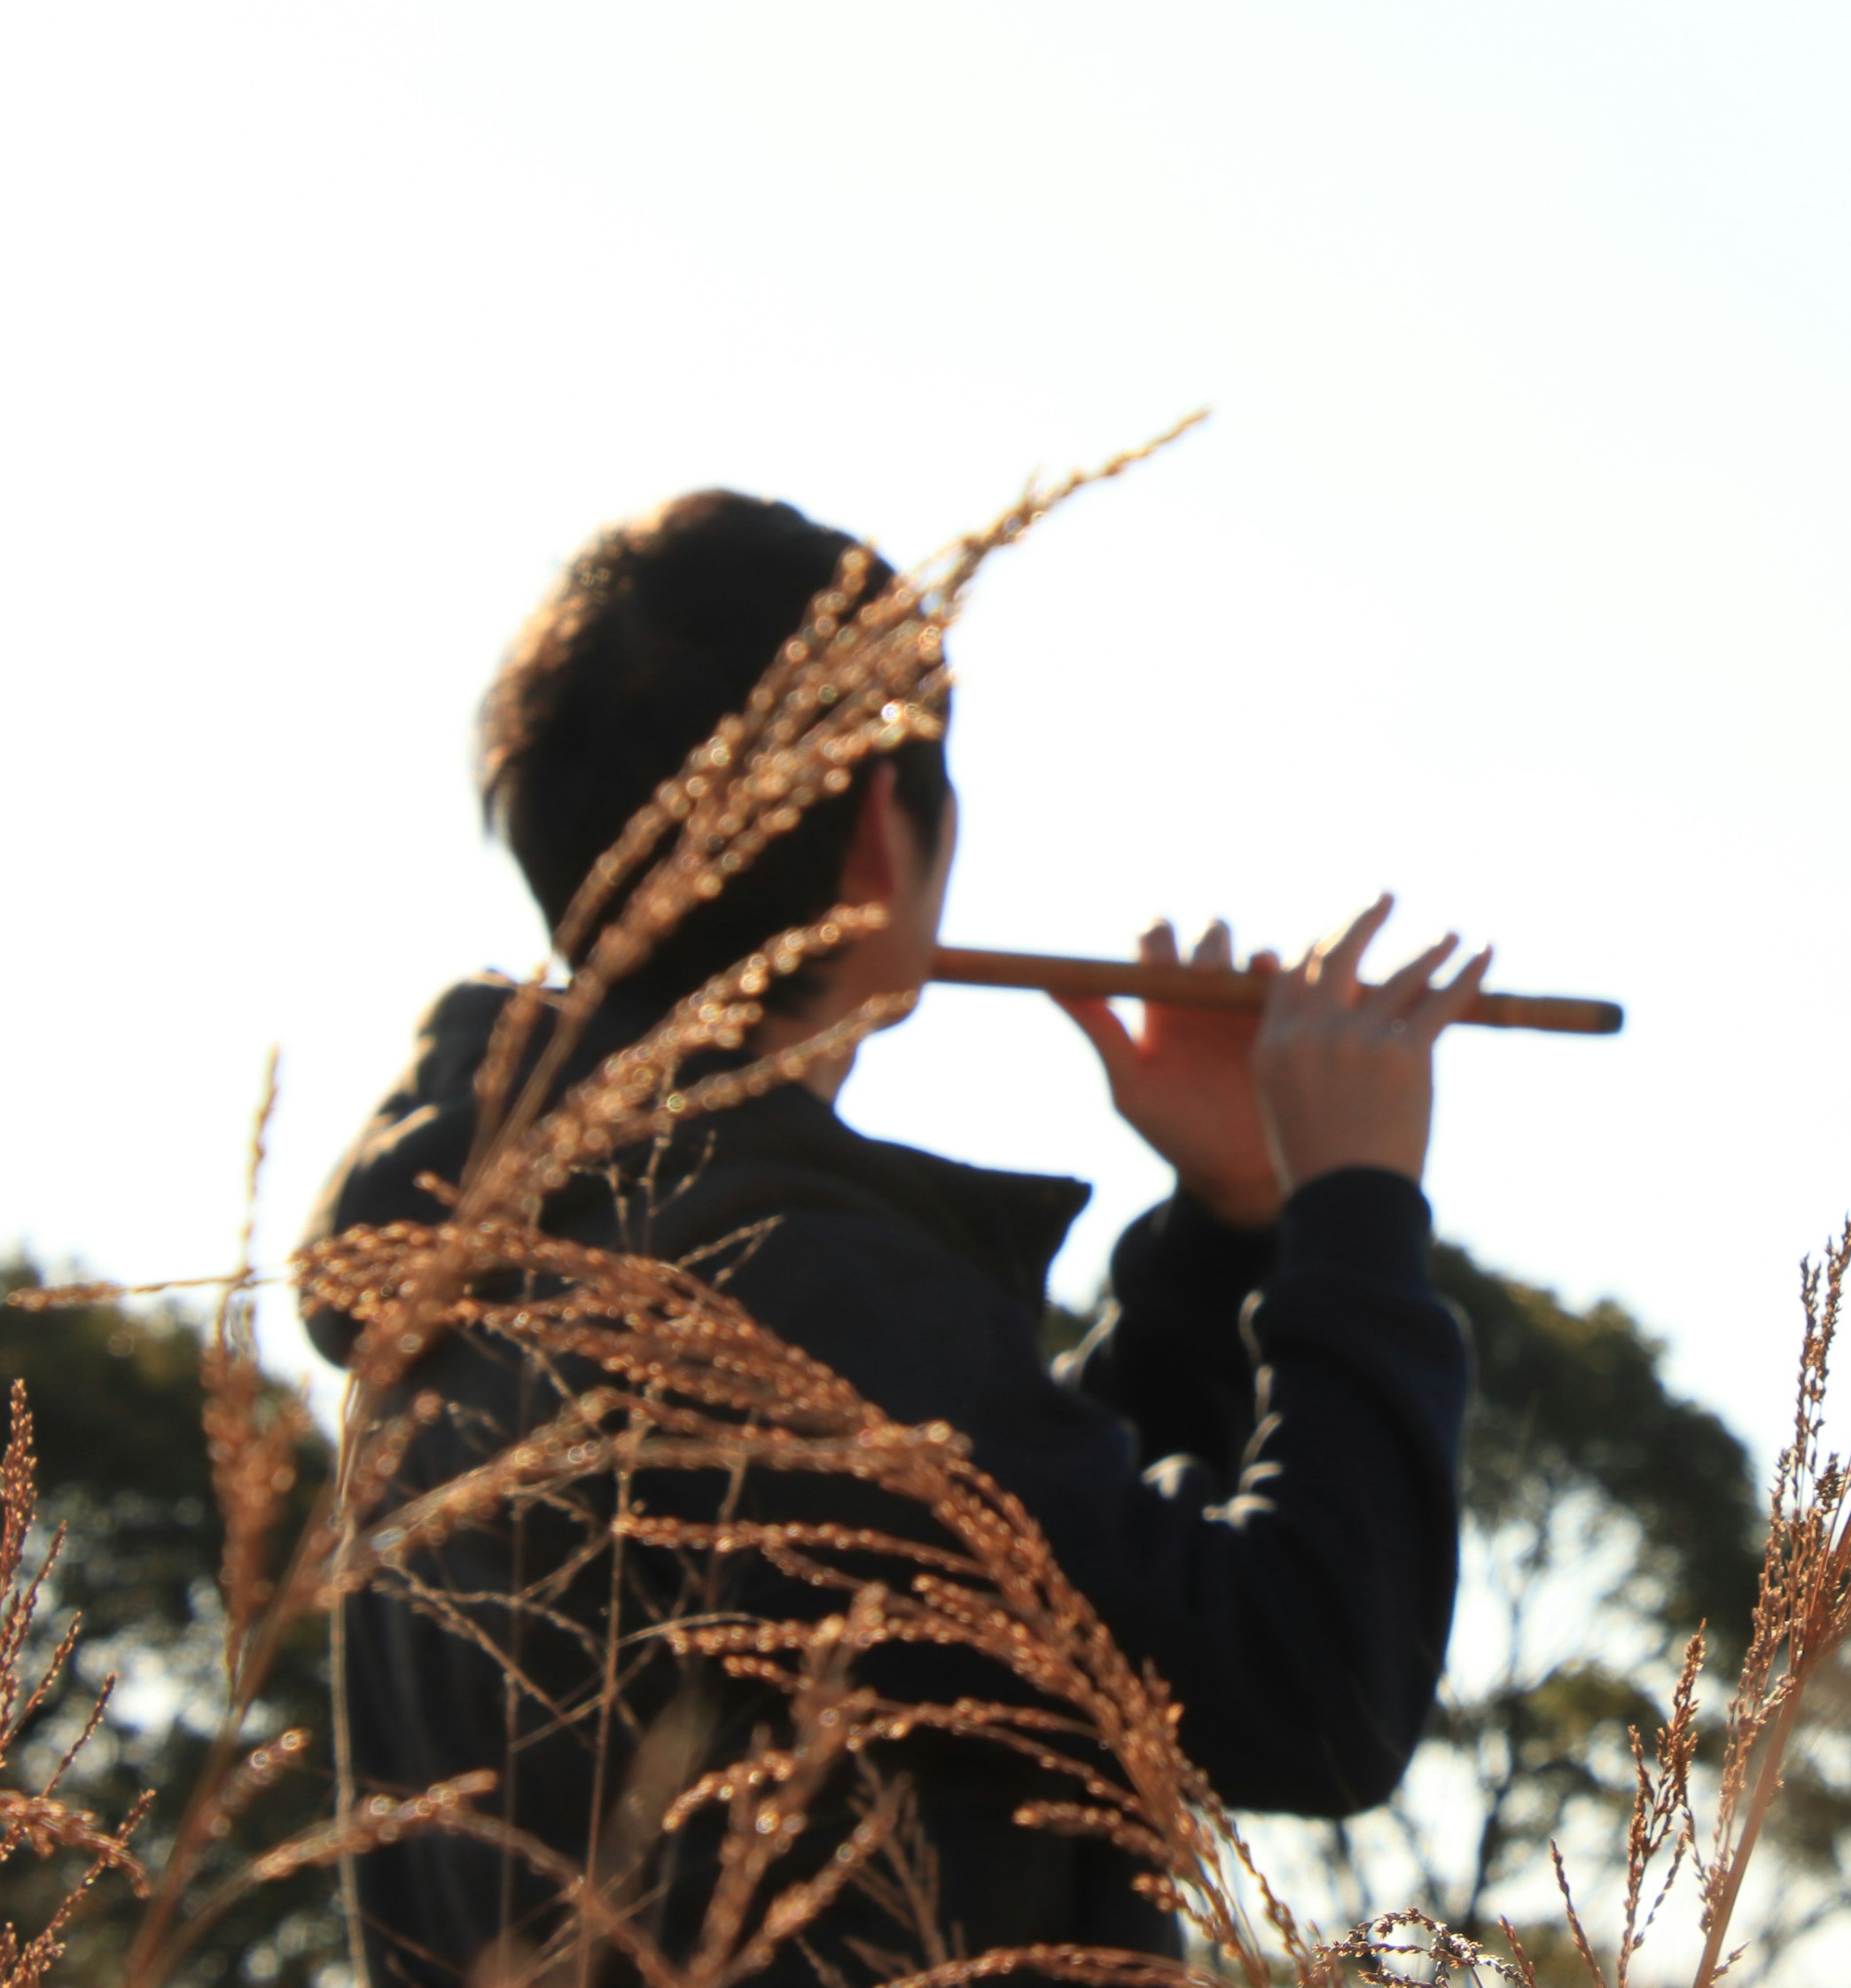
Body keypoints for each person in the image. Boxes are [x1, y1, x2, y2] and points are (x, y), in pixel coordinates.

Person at [303, 490, 1478, 1984]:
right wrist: (1353, 1207)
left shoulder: (486, 1265)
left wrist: (1225, 1229)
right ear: (882, 831)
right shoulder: (777, 1279)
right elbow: (1305, 1686)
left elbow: (1026, 1613)